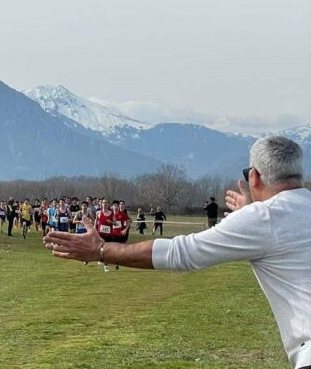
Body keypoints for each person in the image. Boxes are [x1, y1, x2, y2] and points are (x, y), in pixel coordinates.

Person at [43, 136, 310, 368]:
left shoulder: (264, 218)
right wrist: (249, 215)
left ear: (253, 176)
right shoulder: (272, 216)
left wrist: (100, 249)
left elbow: (182, 253)